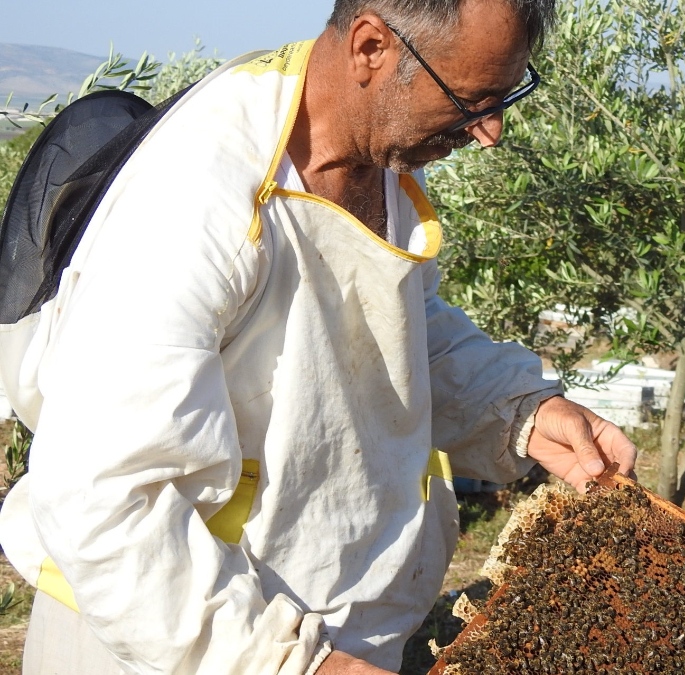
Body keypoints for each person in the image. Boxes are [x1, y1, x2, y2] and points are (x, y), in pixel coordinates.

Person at [0, 1, 638, 674]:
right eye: (471, 98)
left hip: (328, 631)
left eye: (506, 95)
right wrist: (284, 661)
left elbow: (398, 334)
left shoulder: (381, 157)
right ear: (370, 47)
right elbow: (101, 496)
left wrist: (519, 409)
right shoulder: (196, 196)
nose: (491, 131)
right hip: (160, 643)